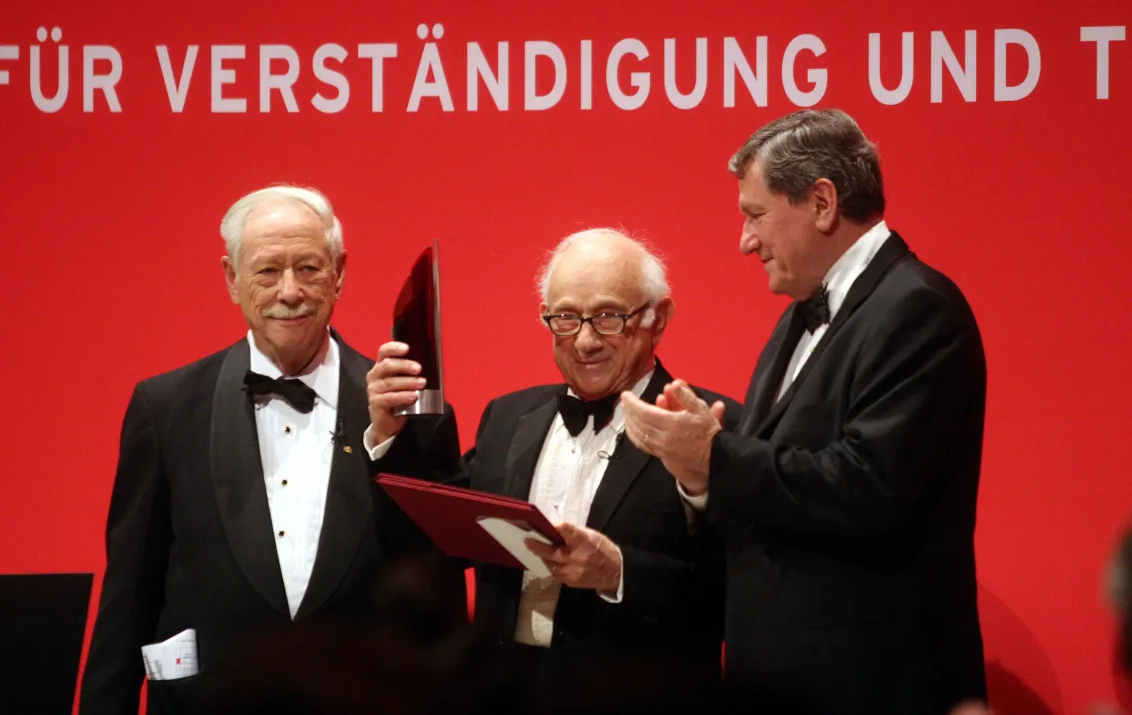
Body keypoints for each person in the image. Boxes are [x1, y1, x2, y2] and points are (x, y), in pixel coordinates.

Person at [621, 109, 988, 714]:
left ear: (822, 203)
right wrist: (716, 434)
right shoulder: (799, 313)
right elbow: (799, 451)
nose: (745, 240)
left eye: (756, 215)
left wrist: (715, 457)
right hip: (792, 683)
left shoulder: (918, 308)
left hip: (870, 685)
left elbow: (869, 483)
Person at [79, 185, 462, 715]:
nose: (289, 291)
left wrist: (387, 441)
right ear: (231, 278)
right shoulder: (166, 406)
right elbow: (129, 593)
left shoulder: (410, 404)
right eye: (266, 271)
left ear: (339, 272)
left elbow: (437, 579)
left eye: (308, 268)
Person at [366, 228, 739, 690]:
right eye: (565, 317)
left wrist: (618, 572)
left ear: (657, 319)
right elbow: (431, 541)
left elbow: (737, 594)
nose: (585, 342)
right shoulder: (508, 416)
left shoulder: (709, 427)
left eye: (608, 317)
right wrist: (389, 435)